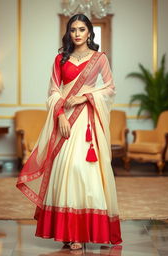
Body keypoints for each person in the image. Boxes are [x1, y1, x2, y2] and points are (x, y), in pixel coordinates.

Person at [16, 13, 122, 251]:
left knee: (86, 170)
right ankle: (69, 231)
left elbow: (110, 89)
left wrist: (84, 96)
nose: (77, 34)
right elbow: (53, 92)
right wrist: (60, 115)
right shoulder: (60, 59)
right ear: (68, 32)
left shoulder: (99, 59)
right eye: (73, 29)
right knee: (65, 168)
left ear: (89, 33)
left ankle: (90, 232)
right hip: (65, 121)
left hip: (88, 121)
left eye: (82, 29)